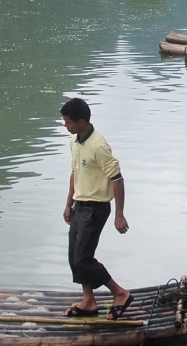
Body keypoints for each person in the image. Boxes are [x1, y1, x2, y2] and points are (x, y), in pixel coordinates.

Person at [60, 98, 133, 320]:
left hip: (96, 207)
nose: (66, 126)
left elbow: (117, 179)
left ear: (81, 121)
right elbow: (75, 173)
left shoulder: (99, 146)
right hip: (79, 206)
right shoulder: (75, 141)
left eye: (68, 122)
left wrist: (119, 214)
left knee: (83, 257)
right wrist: (68, 203)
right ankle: (88, 300)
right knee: (74, 257)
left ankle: (120, 293)